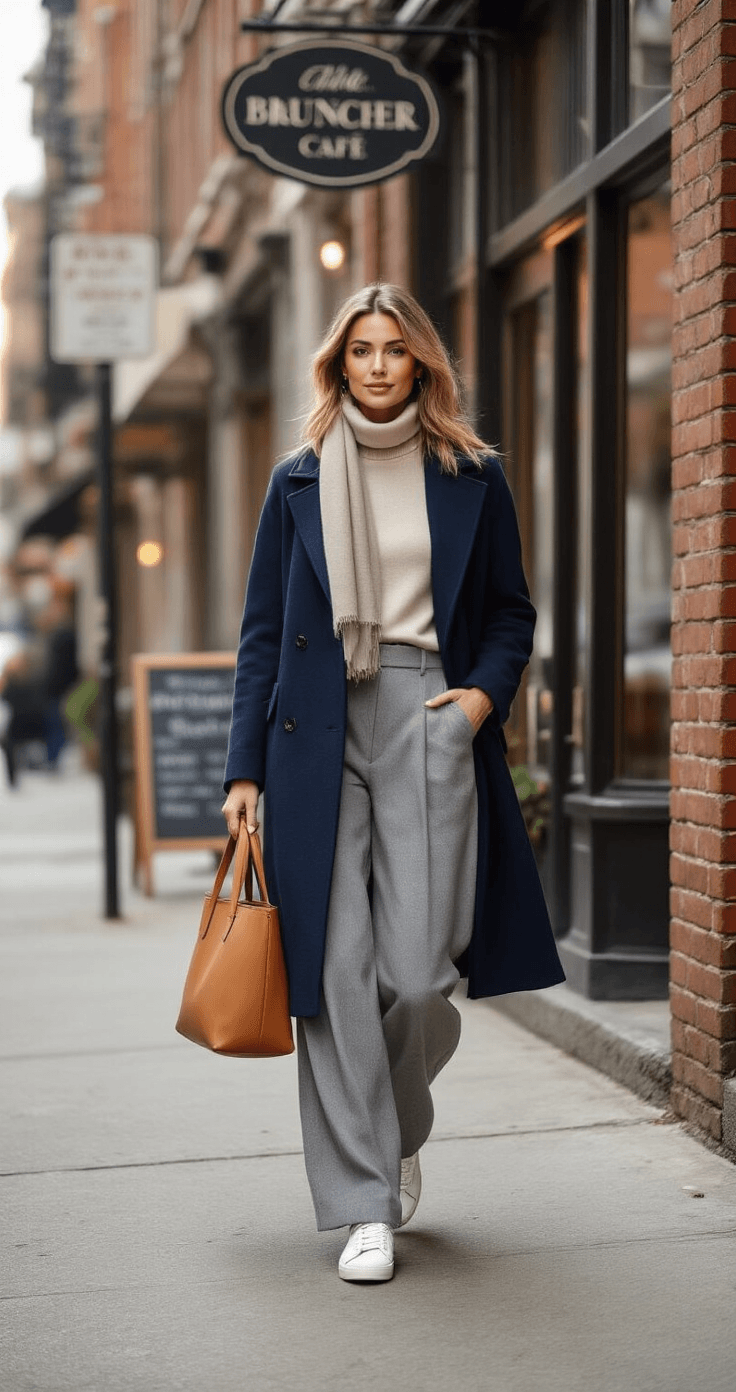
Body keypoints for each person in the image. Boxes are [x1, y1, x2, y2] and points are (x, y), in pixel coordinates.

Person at [222, 283, 564, 1284]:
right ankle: (363, 1203)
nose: (377, 365)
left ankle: (395, 1121)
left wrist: (476, 705)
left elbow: (510, 612)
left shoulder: (469, 473)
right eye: (360, 350)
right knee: (334, 976)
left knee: (414, 976)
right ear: (338, 364)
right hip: (311, 725)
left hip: (425, 716)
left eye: (393, 349)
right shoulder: (295, 481)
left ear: (421, 361)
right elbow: (256, 639)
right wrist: (243, 769)